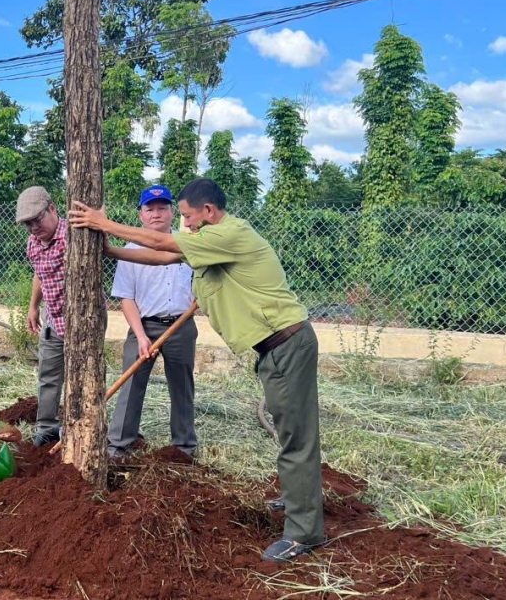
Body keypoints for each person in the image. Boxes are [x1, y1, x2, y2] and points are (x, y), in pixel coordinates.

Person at [69, 177, 324, 563]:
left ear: (208, 212)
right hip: (275, 348)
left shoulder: (230, 234)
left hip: (286, 345)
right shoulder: (210, 240)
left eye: (186, 216)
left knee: (297, 437)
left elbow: (164, 244)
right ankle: (296, 498)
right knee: (289, 428)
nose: (183, 224)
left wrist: (103, 223)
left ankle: (304, 531)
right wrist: (110, 250)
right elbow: (161, 256)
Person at [109, 185, 198, 459]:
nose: (156, 214)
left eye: (162, 208)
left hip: (181, 326)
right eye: (150, 209)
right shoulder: (130, 250)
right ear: (141, 216)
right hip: (144, 327)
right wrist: (141, 334)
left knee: (182, 387)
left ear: (173, 213)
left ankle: (184, 448)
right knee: (131, 384)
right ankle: (119, 445)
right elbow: (126, 298)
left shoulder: (188, 244)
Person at [16, 186, 68, 447]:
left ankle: (76, 427)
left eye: (38, 219)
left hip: (82, 321)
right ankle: (47, 427)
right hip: (53, 317)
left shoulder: (73, 236)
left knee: (79, 376)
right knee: (48, 375)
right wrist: (33, 306)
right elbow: (39, 273)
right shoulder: (33, 243)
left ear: (53, 209)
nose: (34, 228)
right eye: (28, 224)